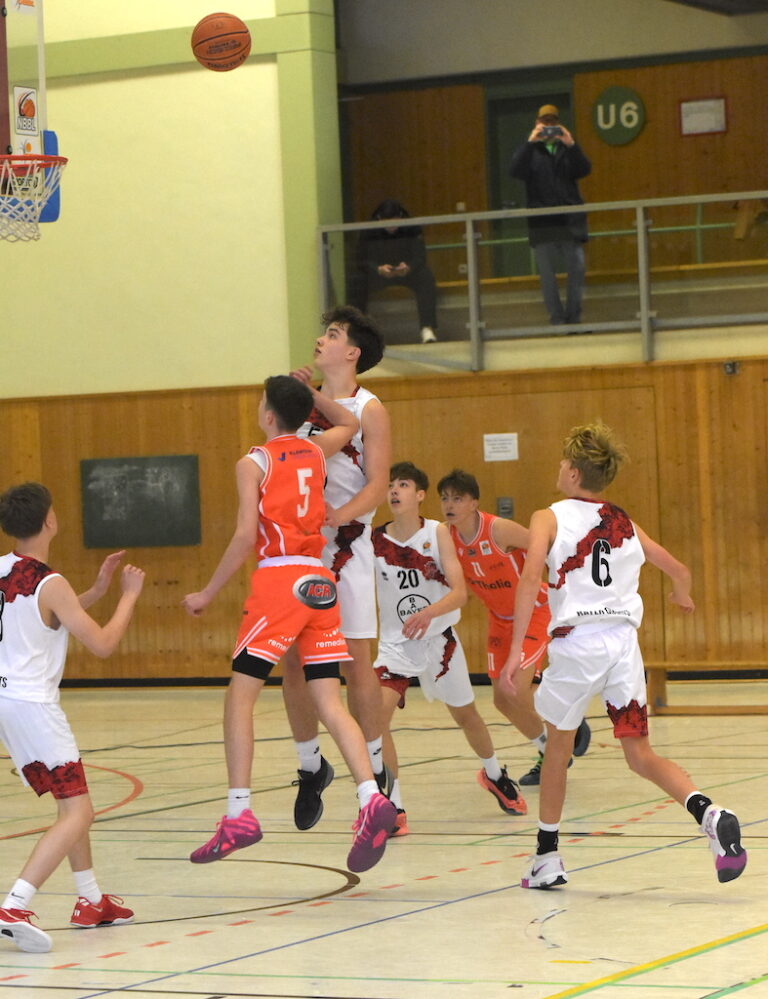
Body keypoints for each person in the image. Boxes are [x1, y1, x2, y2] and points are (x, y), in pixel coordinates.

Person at [500, 421, 747, 889]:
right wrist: (681, 594)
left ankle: (547, 858)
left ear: (573, 473)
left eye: (561, 463)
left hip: (577, 646)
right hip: (622, 646)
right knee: (639, 754)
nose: (557, 468)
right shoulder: (624, 522)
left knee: (557, 749)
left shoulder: (547, 517)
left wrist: (518, 651)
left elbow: (531, 576)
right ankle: (709, 813)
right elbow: (678, 568)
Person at [183, 375, 396, 874]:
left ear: (267, 414)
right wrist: (309, 397)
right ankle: (370, 796)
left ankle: (238, 812)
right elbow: (349, 420)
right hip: (320, 581)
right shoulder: (317, 452)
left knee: (240, 695)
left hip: (279, 581)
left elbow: (243, 536)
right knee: (328, 700)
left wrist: (208, 592)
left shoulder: (253, 461)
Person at [0, 483, 144, 953]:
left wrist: (98, 589)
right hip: (35, 704)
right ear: (50, 521)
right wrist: (126, 597)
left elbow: (44, 615)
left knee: (71, 800)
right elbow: (101, 645)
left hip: (8, 703)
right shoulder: (50, 580)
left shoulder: (8, 571)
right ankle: (15, 904)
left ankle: (90, 900)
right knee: (78, 809)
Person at [281, 307, 392, 833]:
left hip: (346, 545)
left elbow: (376, 484)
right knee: (292, 664)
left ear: (352, 353)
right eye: (322, 331)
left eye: (332, 334)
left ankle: (372, 762)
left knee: (355, 664)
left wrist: (339, 515)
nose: (320, 340)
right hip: (298, 550)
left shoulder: (369, 408)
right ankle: (310, 766)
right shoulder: (303, 407)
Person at [373, 462, 527, 836]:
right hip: (396, 647)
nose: (394, 491)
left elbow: (459, 594)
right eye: (390, 485)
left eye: (404, 484)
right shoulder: (373, 541)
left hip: (439, 642)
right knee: (374, 723)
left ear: (420, 495)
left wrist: (430, 612)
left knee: (467, 716)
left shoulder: (437, 532)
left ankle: (494, 774)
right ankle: (393, 809)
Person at [438, 469, 590, 786]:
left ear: (474, 502)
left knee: (515, 688)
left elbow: (546, 545)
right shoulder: (445, 536)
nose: (450, 505)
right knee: (501, 700)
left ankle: (566, 719)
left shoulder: (499, 530)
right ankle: (549, 751)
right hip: (499, 618)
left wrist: (568, 584)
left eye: (457, 498)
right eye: (445, 498)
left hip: (535, 610)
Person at [509, 104, 591, 328]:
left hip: (569, 221)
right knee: (547, 275)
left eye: (553, 122)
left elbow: (584, 169)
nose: (549, 127)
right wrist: (529, 143)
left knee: (577, 269)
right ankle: (557, 320)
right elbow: (515, 170)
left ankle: (574, 318)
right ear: (537, 123)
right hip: (542, 223)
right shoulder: (530, 151)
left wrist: (571, 144)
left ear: (559, 124)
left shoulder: (567, 149)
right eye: (544, 122)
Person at [348, 199, 439, 344]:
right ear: (379, 219)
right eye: (386, 222)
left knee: (426, 277)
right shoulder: (368, 230)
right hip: (378, 274)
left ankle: (427, 327)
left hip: (406, 273)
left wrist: (409, 266)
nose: (391, 226)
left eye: (394, 221)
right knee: (356, 281)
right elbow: (360, 259)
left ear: (401, 217)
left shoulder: (412, 227)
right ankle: (356, 331)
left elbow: (420, 256)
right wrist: (377, 268)